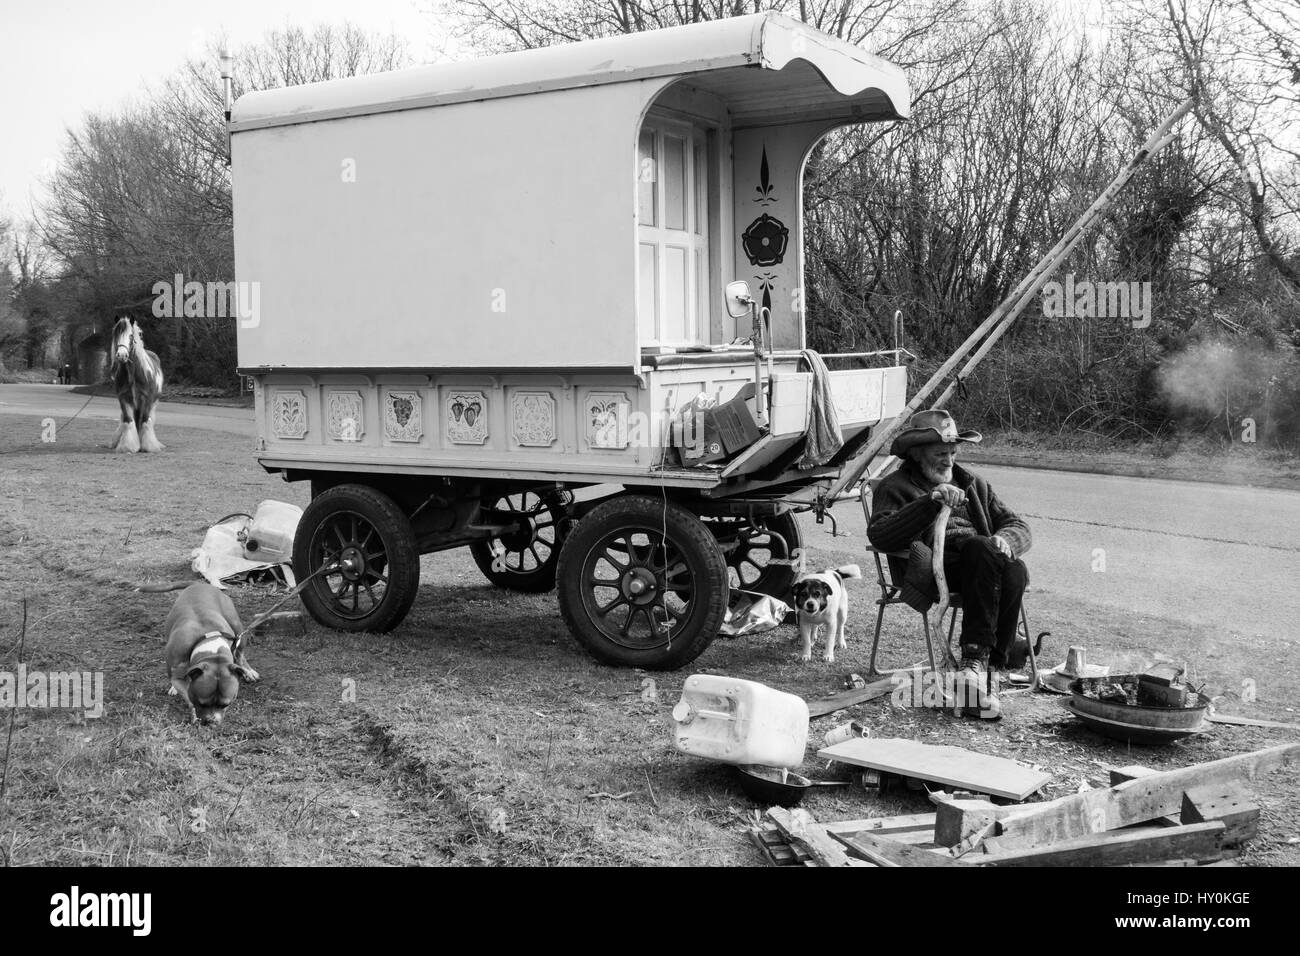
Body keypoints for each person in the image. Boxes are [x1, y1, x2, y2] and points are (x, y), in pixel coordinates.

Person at [866, 409, 1031, 718]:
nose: (949, 460)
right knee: (982, 549)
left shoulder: (972, 483)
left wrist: (1007, 539)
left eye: (953, 453)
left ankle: (987, 668)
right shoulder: (895, 486)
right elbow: (881, 536)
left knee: (1014, 567)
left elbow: (1018, 525)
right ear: (916, 454)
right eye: (941, 453)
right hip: (932, 571)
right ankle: (975, 661)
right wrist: (929, 503)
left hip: (981, 568)